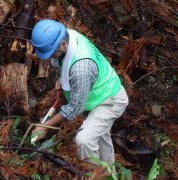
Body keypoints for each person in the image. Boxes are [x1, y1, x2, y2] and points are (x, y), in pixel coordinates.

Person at [30, 19, 129, 166]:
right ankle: (109, 174)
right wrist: (62, 77)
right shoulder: (69, 35)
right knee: (101, 139)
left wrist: (45, 126)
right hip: (99, 94)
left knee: (84, 140)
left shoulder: (81, 67)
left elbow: (75, 108)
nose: (49, 56)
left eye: (51, 53)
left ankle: (93, 175)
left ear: (63, 44)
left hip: (109, 100)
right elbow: (64, 62)